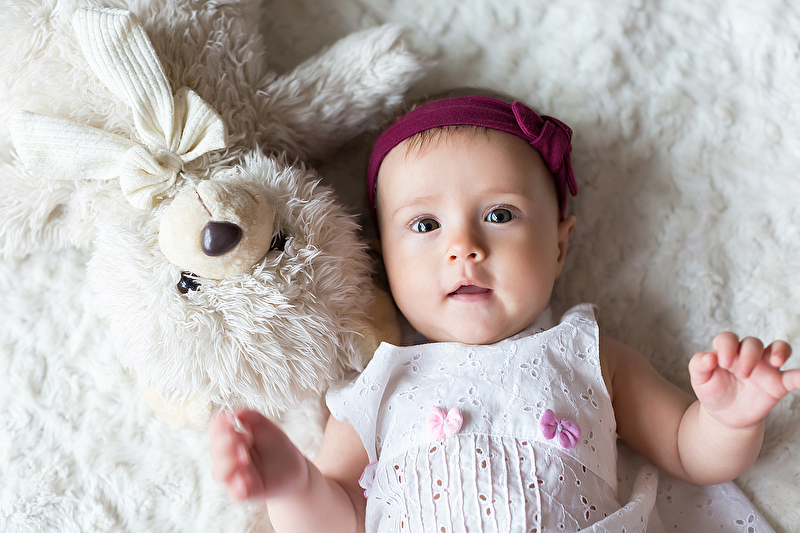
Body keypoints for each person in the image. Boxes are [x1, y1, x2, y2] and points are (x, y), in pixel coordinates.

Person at [209, 93, 799, 532]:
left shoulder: (586, 354)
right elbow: (336, 521)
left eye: (499, 215)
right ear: (384, 259)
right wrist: (291, 482)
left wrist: (728, 419)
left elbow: (689, 451)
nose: (463, 247)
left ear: (560, 246)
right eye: (425, 224)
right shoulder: (380, 382)